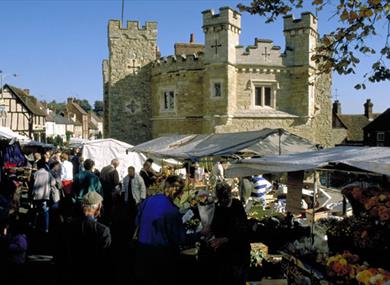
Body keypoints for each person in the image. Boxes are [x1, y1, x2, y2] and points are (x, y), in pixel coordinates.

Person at [135, 175, 200, 285]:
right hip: (161, 258)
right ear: (178, 192)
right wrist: (199, 234)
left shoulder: (148, 200)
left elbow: (137, 222)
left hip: (142, 253)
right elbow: (181, 238)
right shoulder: (172, 211)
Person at [63, 192, 111, 284]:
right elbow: (106, 259)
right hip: (95, 276)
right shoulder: (103, 230)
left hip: (74, 274)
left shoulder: (70, 226)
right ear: (98, 208)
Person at [209, 182, 250, 285]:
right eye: (221, 198)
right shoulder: (217, 207)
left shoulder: (237, 206)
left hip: (238, 255)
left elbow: (242, 232)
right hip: (223, 256)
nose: (223, 200)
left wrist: (224, 239)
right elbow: (215, 226)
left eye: (225, 197)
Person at [30, 159, 57, 233]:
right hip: (45, 195)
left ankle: (34, 225)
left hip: (36, 195)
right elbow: (53, 183)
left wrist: (30, 196)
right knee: (45, 211)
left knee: (36, 210)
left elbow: (31, 186)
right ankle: (46, 228)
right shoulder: (48, 174)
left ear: (38, 166)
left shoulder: (34, 174)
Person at [121, 166, 146, 236]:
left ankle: (136, 226)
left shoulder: (139, 178)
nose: (129, 173)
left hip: (136, 199)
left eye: (131, 172)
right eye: (128, 172)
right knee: (129, 214)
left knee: (136, 213)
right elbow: (123, 187)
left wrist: (142, 198)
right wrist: (123, 195)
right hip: (128, 199)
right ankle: (129, 226)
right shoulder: (126, 178)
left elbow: (143, 188)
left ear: (134, 171)